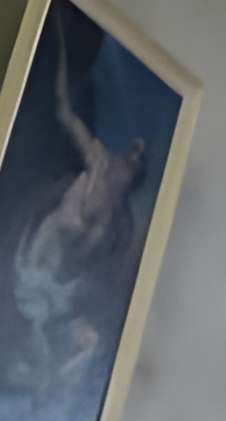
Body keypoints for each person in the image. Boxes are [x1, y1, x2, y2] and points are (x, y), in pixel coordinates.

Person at [12, 48, 149, 392]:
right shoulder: (97, 162)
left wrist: (75, 302)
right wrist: (58, 51)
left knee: (86, 345)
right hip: (34, 260)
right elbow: (64, 111)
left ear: (133, 177)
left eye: (134, 161)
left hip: (57, 290)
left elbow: (98, 276)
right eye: (129, 152)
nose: (125, 161)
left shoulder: (117, 224)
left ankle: (44, 386)